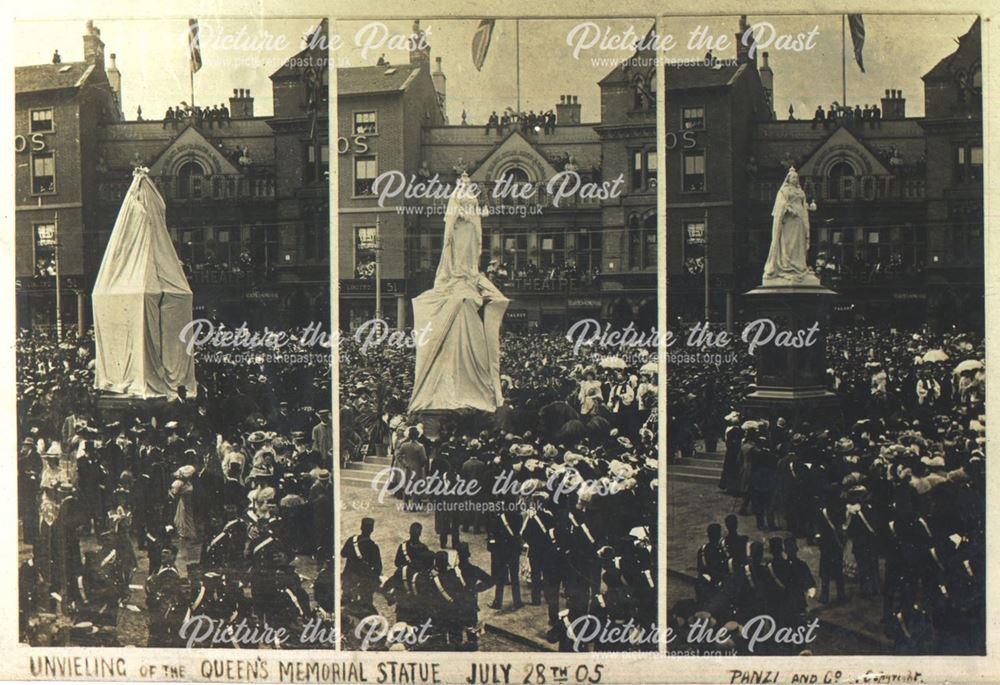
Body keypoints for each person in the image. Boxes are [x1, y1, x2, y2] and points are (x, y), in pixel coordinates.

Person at [762, 166, 812, 284]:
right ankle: (787, 265)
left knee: (799, 244)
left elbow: (804, 204)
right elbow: (781, 203)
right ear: (788, 179)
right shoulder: (784, 191)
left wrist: (808, 207)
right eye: (793, 177)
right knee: (788, 243)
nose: (795, 179)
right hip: (789, 221)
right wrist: (788, 209)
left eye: (796, 177)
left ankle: (799, 265)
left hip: (799, 221)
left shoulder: (800, 191)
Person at [341, 517, 382, 616]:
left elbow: (343, 553)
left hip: (349, 579)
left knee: (345, 601)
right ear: (372, 530)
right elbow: (378, 568)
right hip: (364, 582)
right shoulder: (373, 547)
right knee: (367, 606)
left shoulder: (352, 540)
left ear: (361, 527)